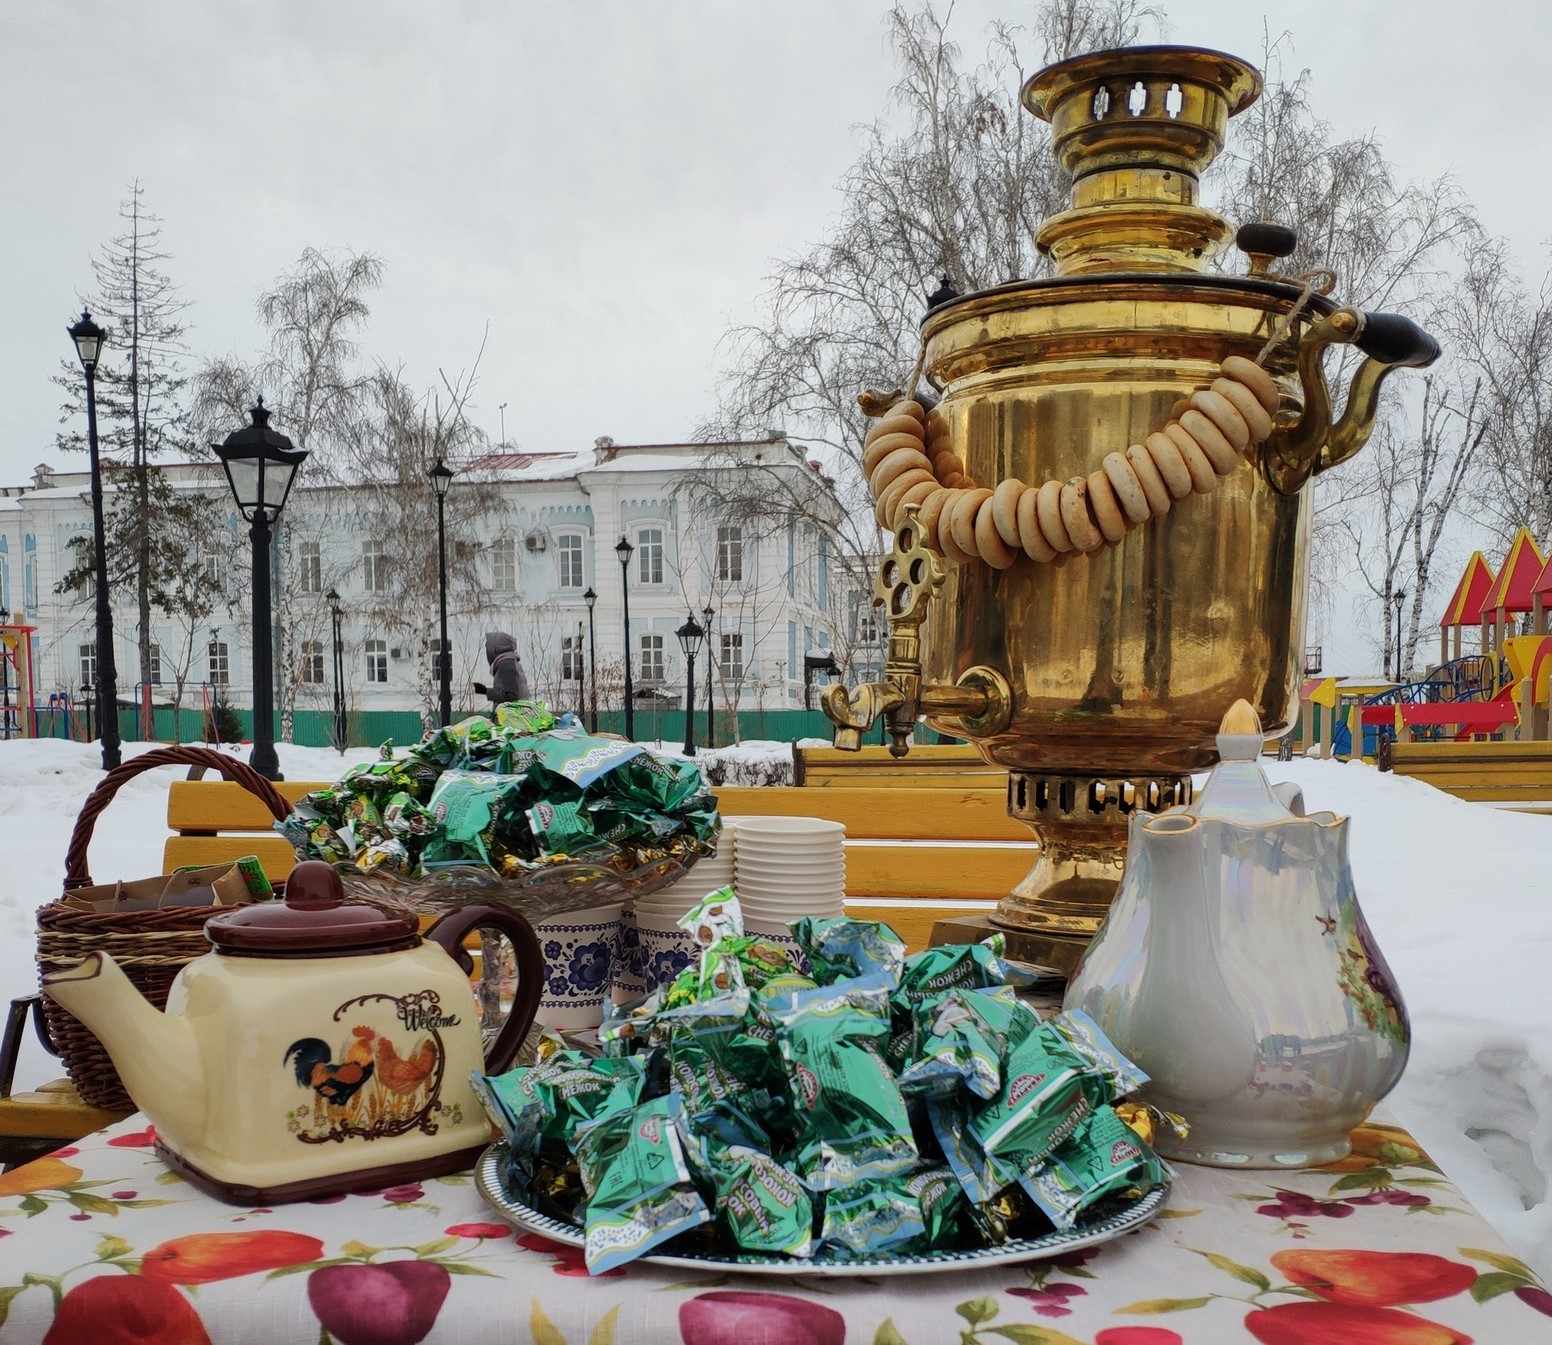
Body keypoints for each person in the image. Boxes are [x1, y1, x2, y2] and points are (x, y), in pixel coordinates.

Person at [473, 631, 532, 706]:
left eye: (488, 647)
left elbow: (511, 696)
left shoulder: (505, 665)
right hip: (516, 714)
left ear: (495, 648)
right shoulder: (509, 662)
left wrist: (485, 691)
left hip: (510, 715)